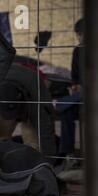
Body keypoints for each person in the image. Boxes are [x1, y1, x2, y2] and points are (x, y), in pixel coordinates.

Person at [0, 63, 57, 160]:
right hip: (4, 100)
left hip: (30, 102)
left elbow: (46, 130)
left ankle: (33, 167)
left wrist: (49, 162)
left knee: (34, 146)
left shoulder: (36, 93)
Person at [54, 18, 84, 168]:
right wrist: (76, 86)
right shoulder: (78, 51)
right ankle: (69, 154)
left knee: (66, 104)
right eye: (78, 35)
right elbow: (75, 77)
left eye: (81, 34)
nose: (79, 38)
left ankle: (60, 104)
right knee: (67, 112)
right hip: (82, 96)